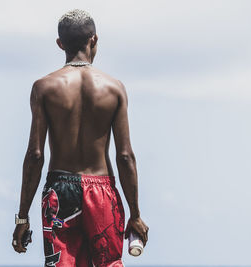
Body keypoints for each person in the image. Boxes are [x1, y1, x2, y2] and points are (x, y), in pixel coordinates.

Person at [12, 8, 149, 267]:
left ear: (60, 44)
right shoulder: (114, 88)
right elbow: (125, 156)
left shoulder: (44, 88)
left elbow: (35, 156)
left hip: (60, 191)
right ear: (94, 40)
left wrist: (22, 218)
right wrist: (135, 214)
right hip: (102, 190)